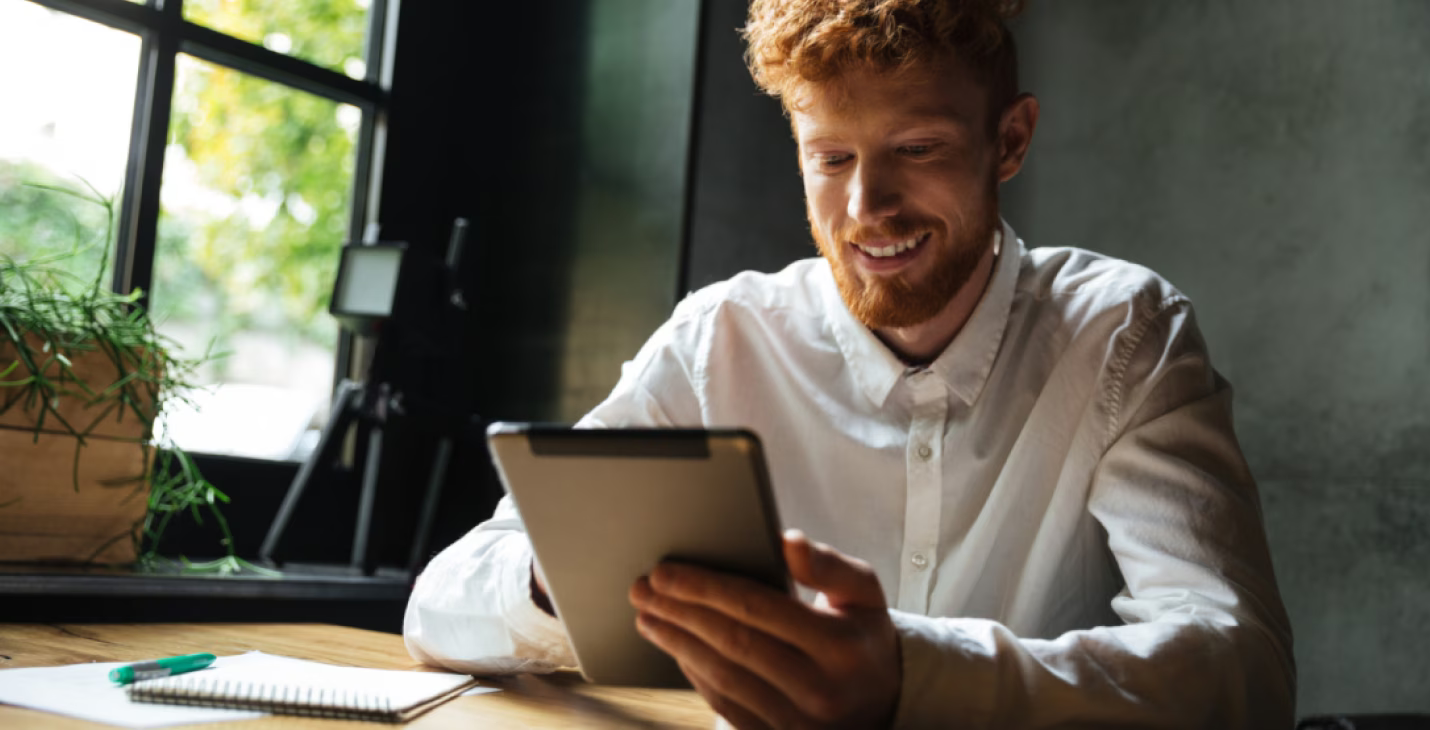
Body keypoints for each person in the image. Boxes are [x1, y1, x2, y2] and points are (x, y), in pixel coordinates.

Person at [404, 0, 1296, 726]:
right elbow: (438, 606)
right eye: (830, 158)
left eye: (917, 150)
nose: (867, 207)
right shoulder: (720, 338)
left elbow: (1238, 664)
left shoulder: (1123, 333)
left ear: (1011, 142)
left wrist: (914, 675)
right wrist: (565, 579)